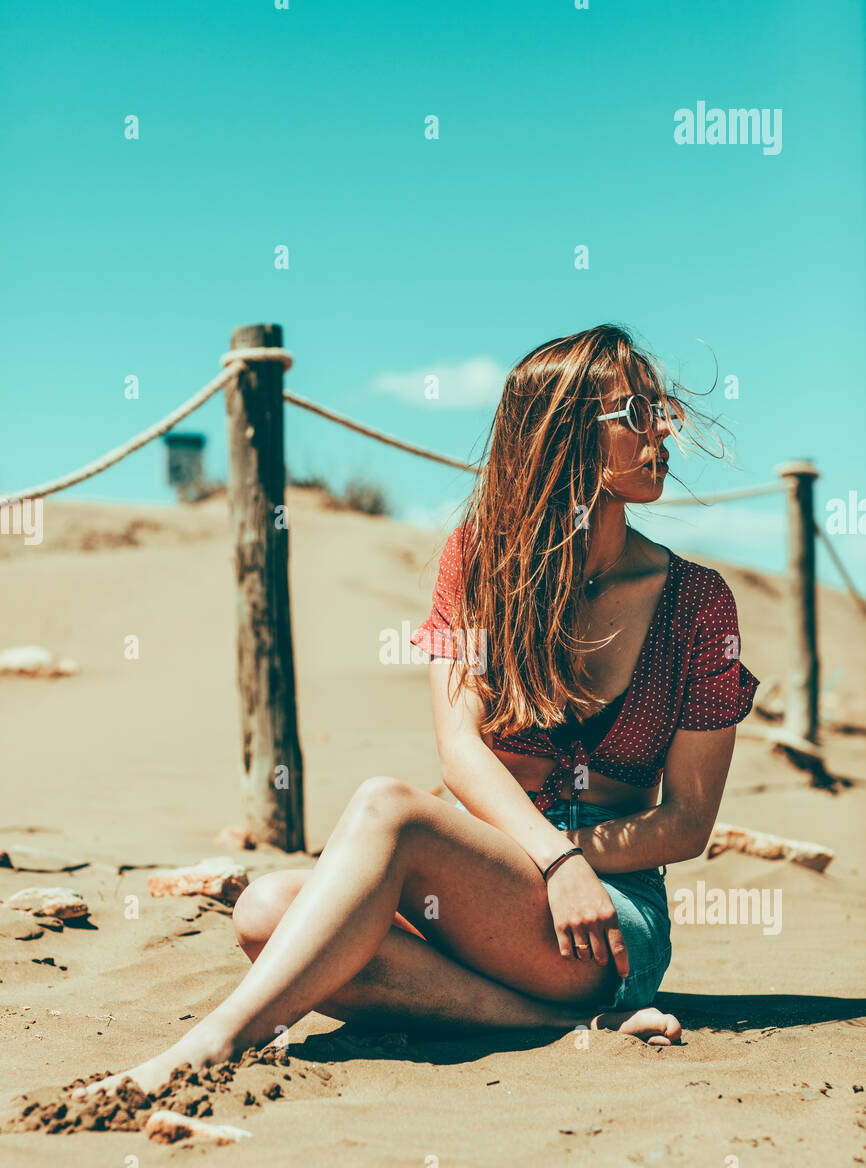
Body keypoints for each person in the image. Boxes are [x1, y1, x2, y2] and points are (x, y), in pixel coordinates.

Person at [83, 324, 758, 1098]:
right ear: (564, 433)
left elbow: (689, 823)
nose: (662, 429)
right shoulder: (481, 561)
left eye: (660, 408)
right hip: (501, 897)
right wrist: (550, 856)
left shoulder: (699, 602)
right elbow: (459, 748)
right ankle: (553, 1028)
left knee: (387, 810)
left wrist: (572, 865)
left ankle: (216, 1042)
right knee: (266, 912)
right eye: (636, 411)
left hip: (603, 920)